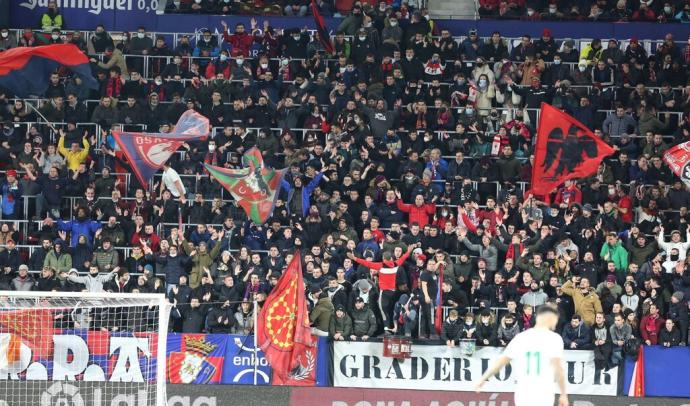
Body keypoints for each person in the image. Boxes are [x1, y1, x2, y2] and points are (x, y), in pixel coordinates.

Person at [475, 305, 568, 406]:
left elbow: (501, 361)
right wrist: (563, 394)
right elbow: (559, 368)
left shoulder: (521, 337)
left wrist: (483, 378)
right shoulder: (554, 339)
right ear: (552, 319)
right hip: (544, 391)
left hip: (523, 391)